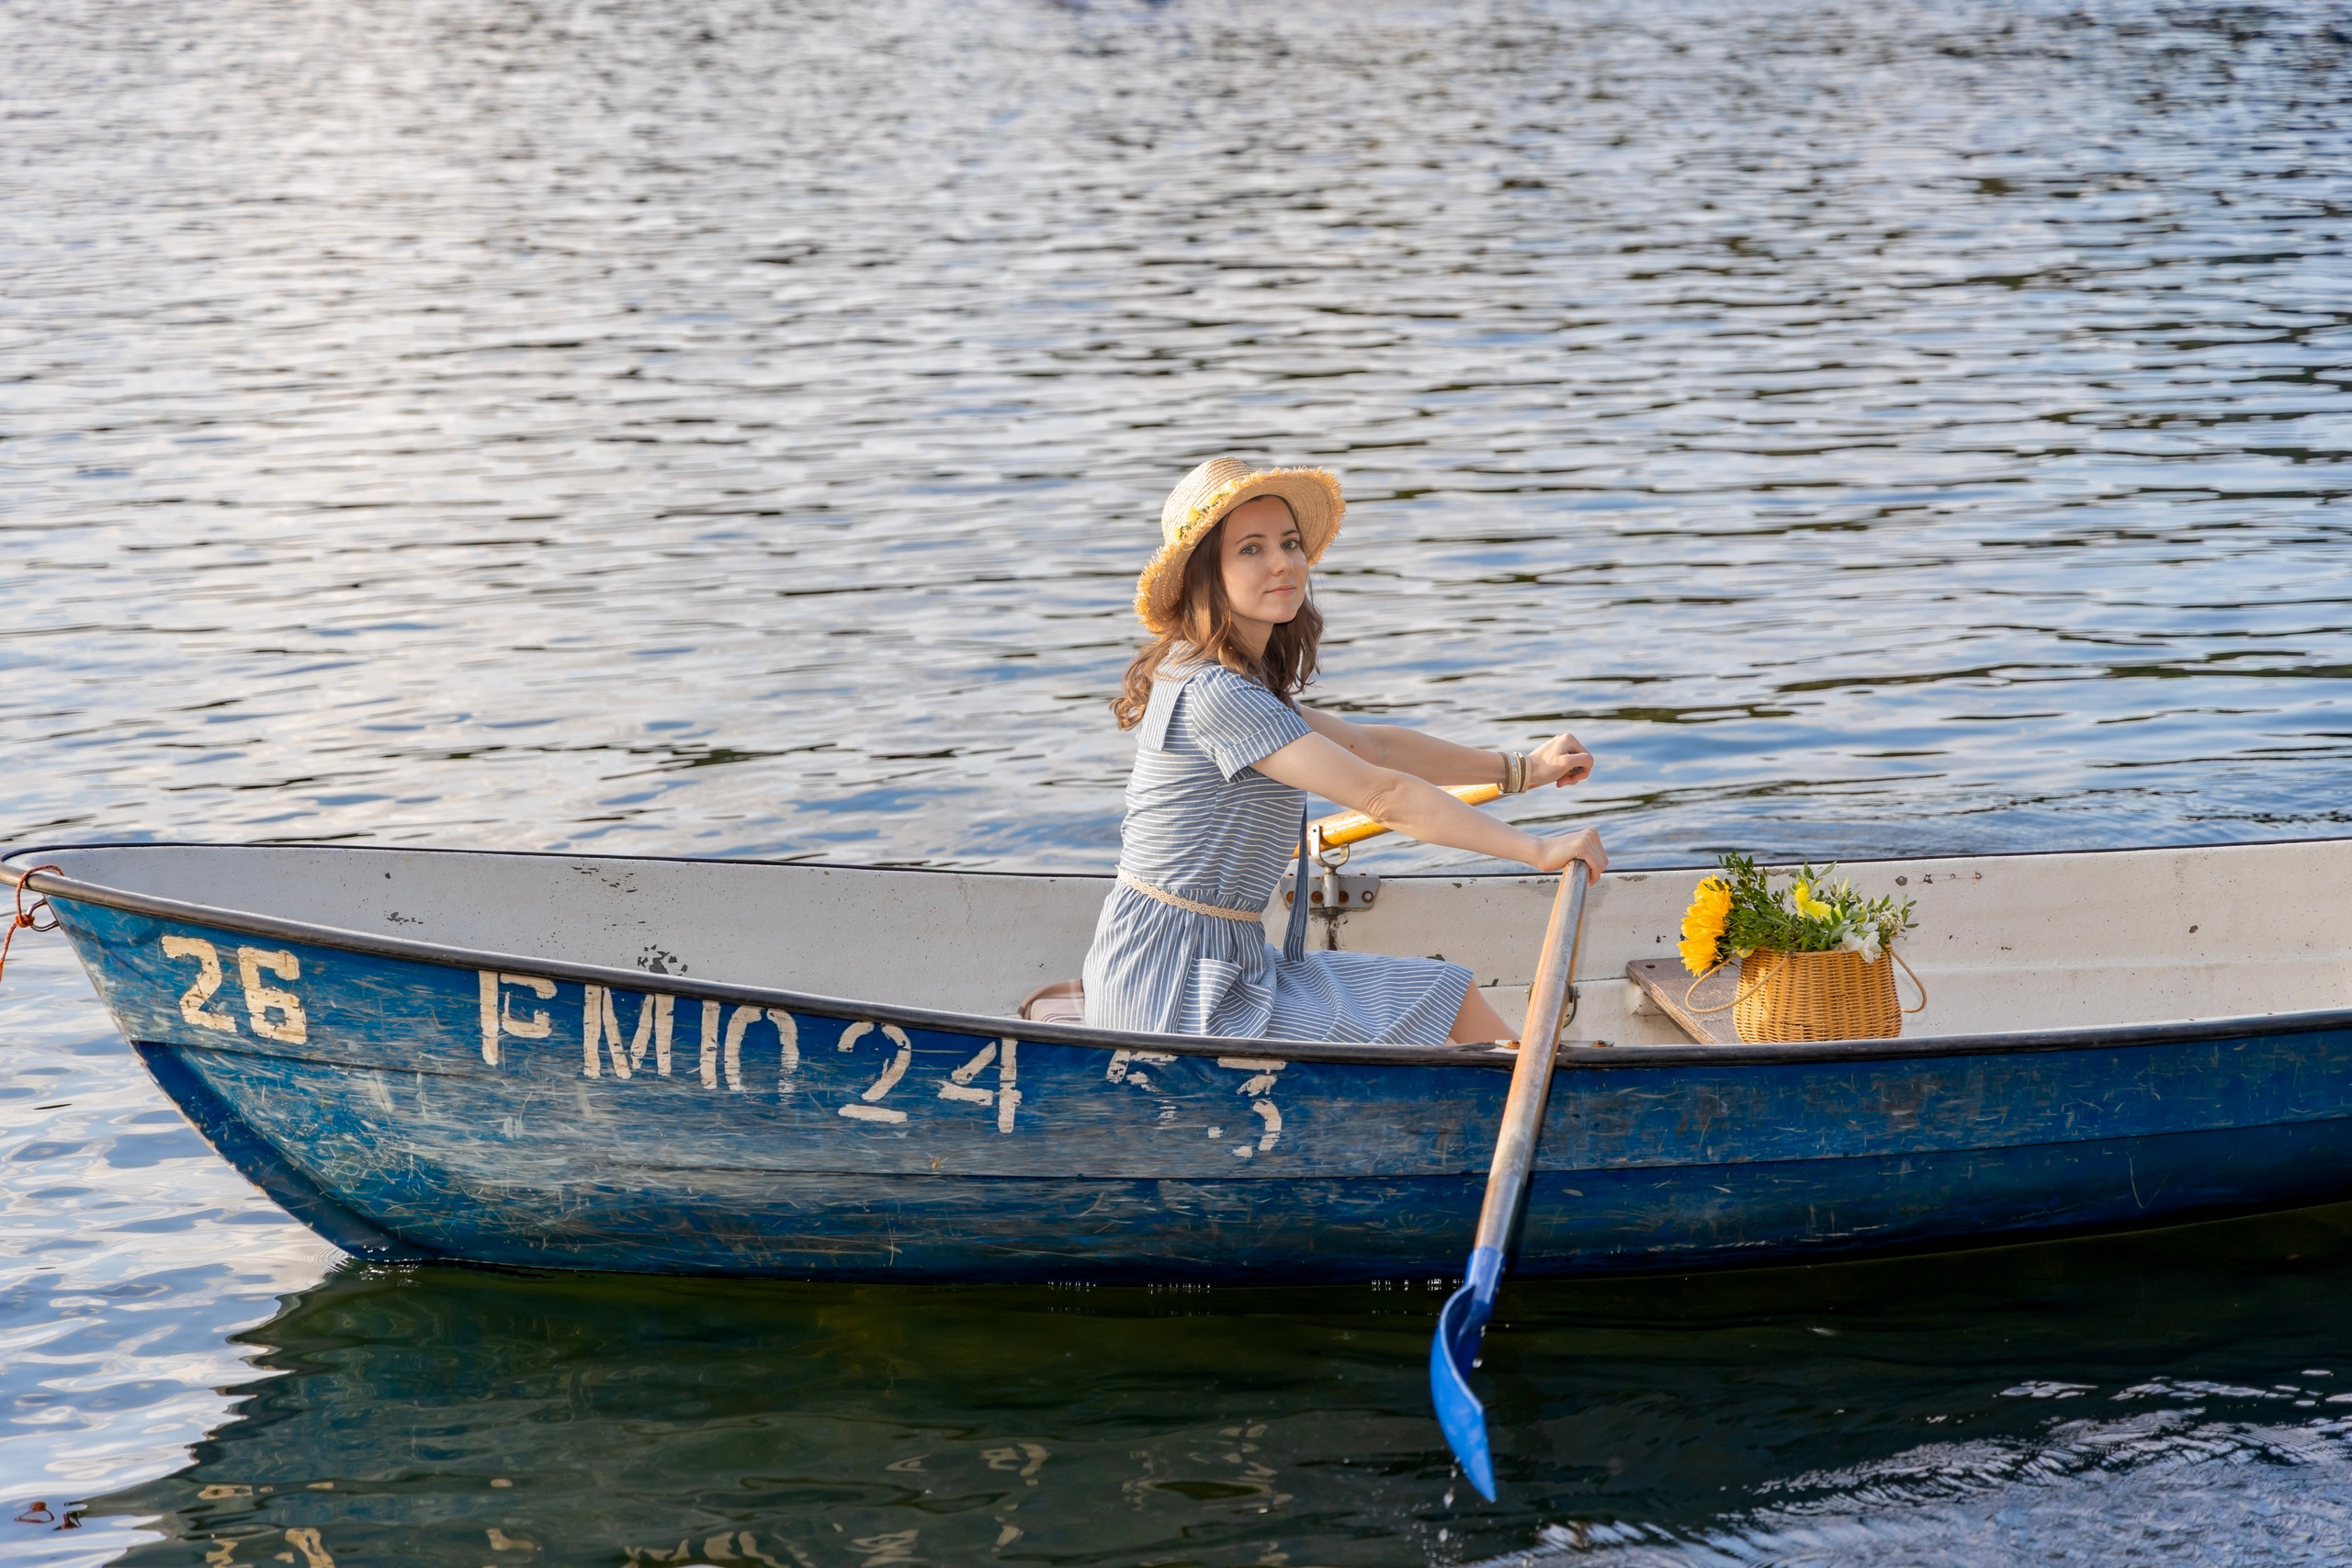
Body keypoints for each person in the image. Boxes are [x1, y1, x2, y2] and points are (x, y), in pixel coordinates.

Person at [1081, 457, 1609, 1046]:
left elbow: (1372, 747)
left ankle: (1525, 1105)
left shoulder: (1233, 678)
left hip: (1226, 960)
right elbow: (1383, 794)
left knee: (1445, 990)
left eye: (1289, 543)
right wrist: (1536, 849)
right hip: (1174, 985)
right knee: (1437, 1005)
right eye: (1250, 549)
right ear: (1207, 576)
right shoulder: (1215, 693)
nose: (1283, 562)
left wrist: (1521, 770)